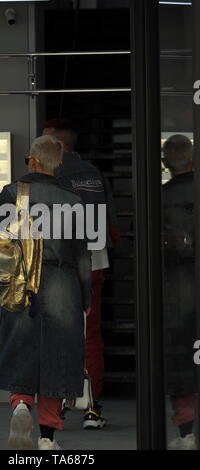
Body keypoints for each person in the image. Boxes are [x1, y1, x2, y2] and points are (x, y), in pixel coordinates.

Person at [0, 135, 91, 450]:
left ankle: (21, 406)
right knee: (58, 357)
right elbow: (83, 257)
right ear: (59, 164)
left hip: (22, 282)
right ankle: (48, 438)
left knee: (21, 347)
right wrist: (86, 298)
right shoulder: (75, 201)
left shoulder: (13, 194)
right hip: (64, 285)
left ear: (33, 161)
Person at [43, 118, 119, 429]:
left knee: (57, 333)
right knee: (91, 334)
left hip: (57, 263)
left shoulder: (47, 174)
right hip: (94, 260)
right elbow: (111, 221)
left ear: (59, 145)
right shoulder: (93, 172)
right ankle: (92, 406)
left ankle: (59, 400)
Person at [161, 134, 197, 450]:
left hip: (175, 285)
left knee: (180, 356)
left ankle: (186, 431)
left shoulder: (160, 197)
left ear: (164, 163)